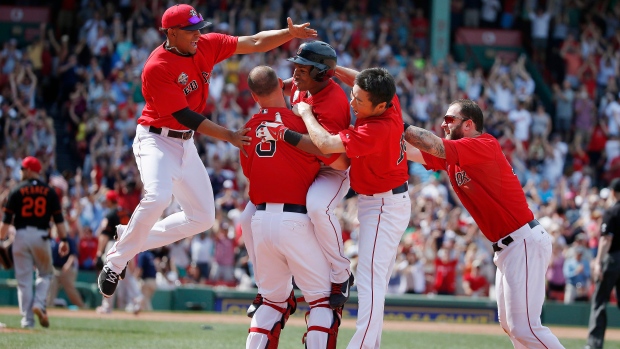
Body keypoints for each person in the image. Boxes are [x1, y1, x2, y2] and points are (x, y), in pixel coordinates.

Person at [98, 3, 318, 297]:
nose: (197, 35)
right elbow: (185, 115)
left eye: (199, 28)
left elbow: (252, 43)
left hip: (185, 143)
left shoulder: (206, 44)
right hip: (156, 140)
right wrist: (228, 135)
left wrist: (287, 34)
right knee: (159, 195)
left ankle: (130, 237)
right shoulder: (157, 67)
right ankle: (115, 261)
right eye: (190, 31)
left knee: (202, 218)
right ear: (172, 33)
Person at [261, 66, 411, 348]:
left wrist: (304, 113)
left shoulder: (376, 128)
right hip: (380, 201)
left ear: (380, 105)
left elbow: (327, 144)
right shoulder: (387, 98)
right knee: (374, 283)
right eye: (353, 96)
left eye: (359, 101)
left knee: (369, 283)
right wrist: (332, 69)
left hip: (384, 206)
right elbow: (360, 79)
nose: (351, 103)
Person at [403, 99, 564, 348]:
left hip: (522, 240)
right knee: (512, 326)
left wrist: (399, 125)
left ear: (469, 124)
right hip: (509, 246)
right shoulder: (454, 156)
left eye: (450, 120)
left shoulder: (483, 144)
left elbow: (433, 144)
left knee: (526, 327)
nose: (444, 124)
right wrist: (382, 132)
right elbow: (411, 151)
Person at [243, 40, 353, 317]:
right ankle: (266, 287)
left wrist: (285, 135)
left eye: (303, 69)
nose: (296, 73)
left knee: (317, 206)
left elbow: (329, 151)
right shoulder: (298, 88)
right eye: (296, 66)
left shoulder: (334, 98)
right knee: (247, 218)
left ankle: (341, 274)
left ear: (321, 73)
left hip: (334, 167)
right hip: (309, 162)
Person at [0, 156, 69, 328]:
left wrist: (1, 239)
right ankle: (39, 303)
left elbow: (6, 222)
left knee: (23, 281)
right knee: (45, 274)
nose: (21, 171)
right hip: (41, 236)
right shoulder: (50, 191)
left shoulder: (16, 190)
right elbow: (59, 220)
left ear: (31, 170)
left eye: (23, 168)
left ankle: (27, 321)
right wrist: (64, 239)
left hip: (21, 236)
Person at [585, 178, 620, 349]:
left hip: (613, 259)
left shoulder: (612, 212)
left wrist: (598, 261)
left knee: (599, 300)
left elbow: (606, 239)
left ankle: (594, 344)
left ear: (613, 193)